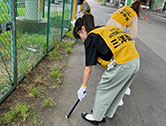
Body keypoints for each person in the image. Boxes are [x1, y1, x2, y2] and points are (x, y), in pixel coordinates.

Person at [73, 14, 140, 125]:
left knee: (103, 88)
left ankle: (96, 117)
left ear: (82, 29)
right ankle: (107, 113)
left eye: (80, 36)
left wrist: (83, 87)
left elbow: (88, 68)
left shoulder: (91, 37)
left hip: (123, 63)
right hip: (135, 60)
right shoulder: (104, 28)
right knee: (118, 89)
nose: (82, 39)